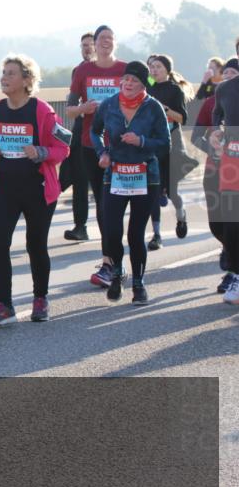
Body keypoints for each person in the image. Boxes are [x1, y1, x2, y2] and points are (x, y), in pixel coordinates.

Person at [0, 55, 69, 325]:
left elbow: (64, 147)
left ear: (27, 79)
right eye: (3, 73)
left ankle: (40, 299)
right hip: (5, 187)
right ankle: (4, 305)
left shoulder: (42, 111)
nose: (4, 78)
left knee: (36, 245)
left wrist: (41, 152)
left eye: (11, 73)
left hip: (37, 188)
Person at [90, 61, 169, 306]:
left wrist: (142, 141)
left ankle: (139, 284)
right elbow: (94, 131)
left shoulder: (153, 107)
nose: (128, 84)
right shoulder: (110, 104)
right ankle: (116, 273)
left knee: (135, 234)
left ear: (143, 84)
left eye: (134, 81)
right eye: (125, 79)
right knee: (112, 230)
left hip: (145, 175)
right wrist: (102, 152)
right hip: (115, 174)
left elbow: (165, 143)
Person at [66, 25, 128, 288]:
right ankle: (110, 261)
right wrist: (85, 107)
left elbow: (145, 96)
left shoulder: (126, 69)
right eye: (102, 38)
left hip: (122, 146)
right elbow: (69, 109)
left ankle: (115, 261)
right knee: (102, 204)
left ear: (115, 43)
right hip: (91, 145)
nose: (106, 42)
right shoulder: (83, 71)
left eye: (110, 38)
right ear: (95, 42)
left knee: (113, 204)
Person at [192, 58, 239, 294]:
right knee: (219, 224)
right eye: (226, 72)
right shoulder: (220, 93)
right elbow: (204, 130)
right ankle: (231, 252)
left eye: (234, 71)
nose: (230, 75)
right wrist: (214, 143)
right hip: (219, 167)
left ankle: (234, 273)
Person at [145, 54, 192, 250]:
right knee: (153, 191)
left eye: (158, 67)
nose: (154, 70)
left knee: (172, 192)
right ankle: (156, 235)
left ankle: (181, 216)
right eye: (152, 67)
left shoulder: (174, 91)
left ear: (167, 70)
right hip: (153, 144)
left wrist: (164, 110)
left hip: (171, 144)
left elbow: (182, 118)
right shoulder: (148, 88)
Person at [211, 46, 239, 305]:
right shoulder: (225, 89)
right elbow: (216, 119)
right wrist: (216, 135)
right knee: (228, 225)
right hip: (233, 162)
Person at [63, 32, 97, 241]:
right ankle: (80, 226)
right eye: (83, 45)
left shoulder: (110, 71)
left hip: (103, 132)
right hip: (79, 131)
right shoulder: (78, 71)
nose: (86, 48)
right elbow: (71, 104)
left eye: (89, 44)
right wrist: (80, 108)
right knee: (75, 178)